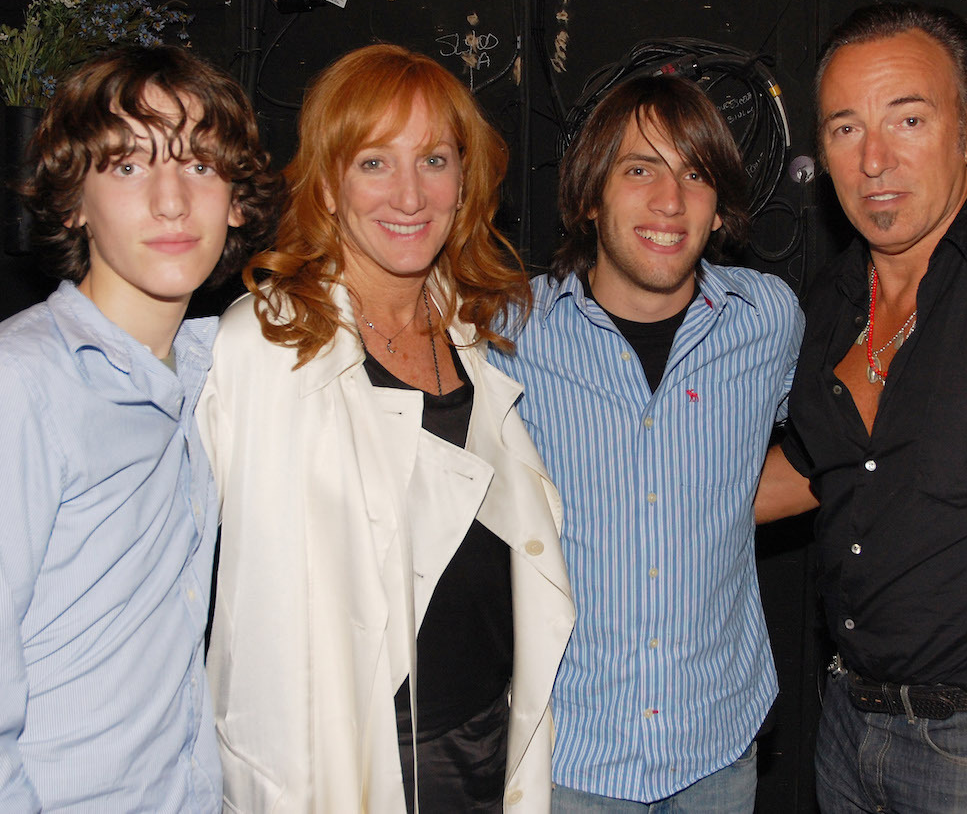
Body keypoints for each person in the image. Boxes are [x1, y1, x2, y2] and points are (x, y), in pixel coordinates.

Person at [197, 43, 574, 812]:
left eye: (434, 159)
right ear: (329, 183)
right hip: (350, 767)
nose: (409, 194)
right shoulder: (265, 343)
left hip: (485, 750)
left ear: (465, 180)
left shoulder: (470, 331)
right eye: (374, 162)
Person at [753, 2, 967, 812]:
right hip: (845, 725)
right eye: (846, 129)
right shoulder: (828, 302)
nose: (875, 160)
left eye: (909, 118)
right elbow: (830, 466)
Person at [490, 75, 801, 811]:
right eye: (640, 169)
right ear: (590, 195)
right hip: (567, 759)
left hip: (717, 752)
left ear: (719, 206)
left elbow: (831, 443)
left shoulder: (768, 319)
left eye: (695, 174)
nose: (670, 201)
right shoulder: (506, 333)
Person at [0, 46, 279, 811]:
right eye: (127, 167)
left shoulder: (213, 372)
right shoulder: (23, 385)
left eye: (198, 165)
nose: (170, 201)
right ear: (71, 203)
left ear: (237, 202)